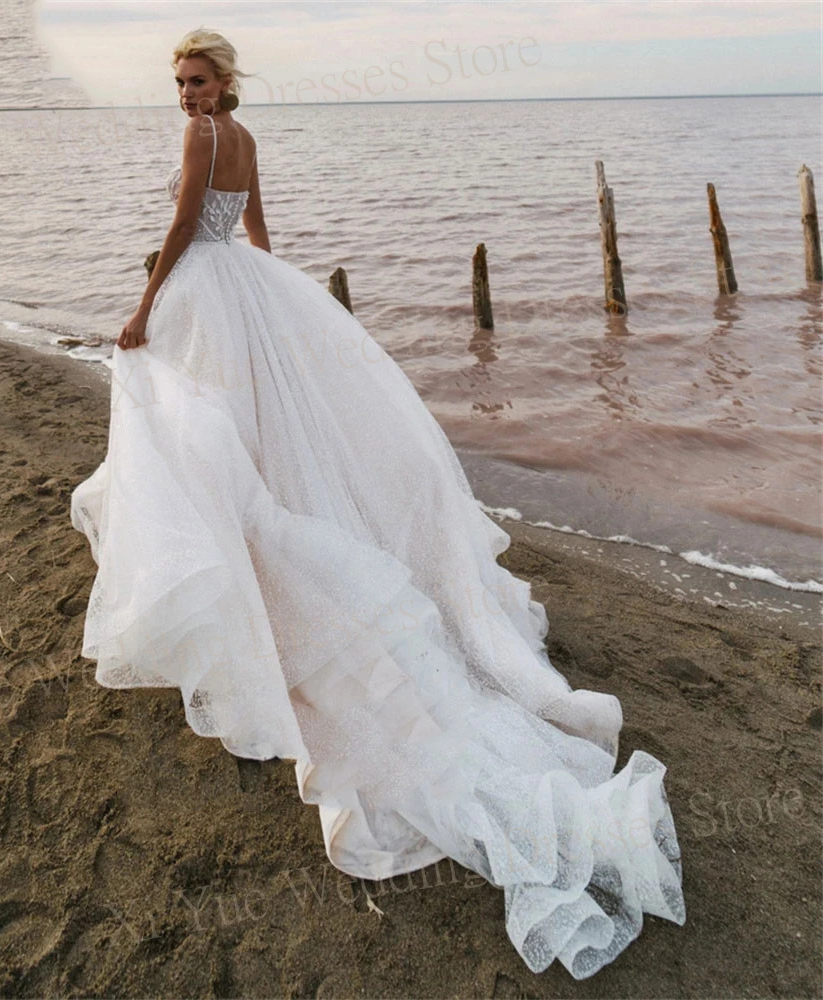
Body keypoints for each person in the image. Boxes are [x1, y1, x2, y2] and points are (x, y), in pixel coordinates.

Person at [70, 27, 686, 980]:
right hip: (244, 293)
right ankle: (254, 570)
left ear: (224, 81)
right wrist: (283, 303)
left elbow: (189, 229)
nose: (187, 94)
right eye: (179, 81)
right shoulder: (246, 136)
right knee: (247, 447)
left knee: (207, 445)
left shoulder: (203, 141)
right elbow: (258, 233)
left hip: (201, 293)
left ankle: (245, 585)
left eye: (198, 80)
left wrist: (146, 309)